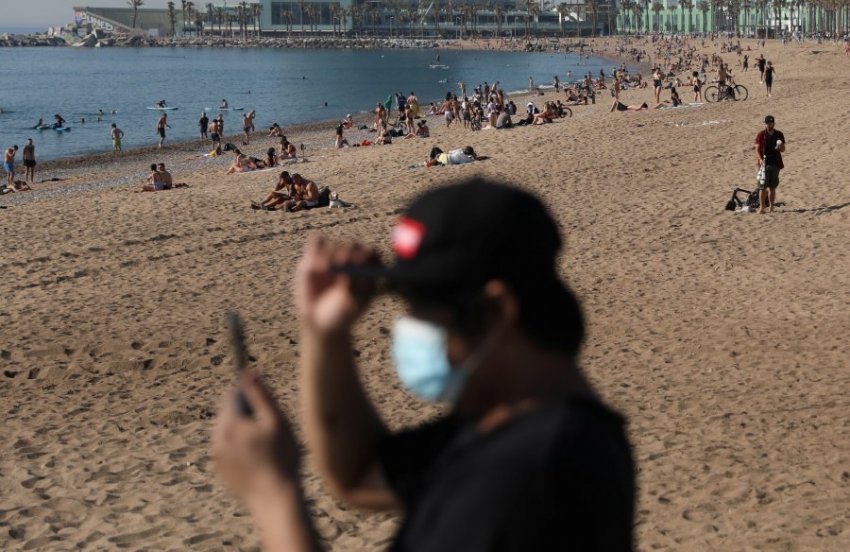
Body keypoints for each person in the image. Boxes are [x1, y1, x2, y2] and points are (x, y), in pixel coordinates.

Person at [211, 177, 636, 551]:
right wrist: (325, 334)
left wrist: (272, 496)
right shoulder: (513, 424)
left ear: (498, 310)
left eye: (420, 309)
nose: (407, 326)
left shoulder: (529, 471)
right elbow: (359, 475)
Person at [755, 115, 786, 214]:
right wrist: (760, 159)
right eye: (768, 123)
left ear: (774, 123)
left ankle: (772, 207)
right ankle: (762, 208)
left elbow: (783, 150)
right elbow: (757, 149)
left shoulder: (779, 134)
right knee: (762, 187)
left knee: (772, 187)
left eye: (771, 123)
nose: (769, 124)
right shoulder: (761, 135)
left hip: (775, 163)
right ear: (765, 124)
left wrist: (780, 147)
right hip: (764, 164)